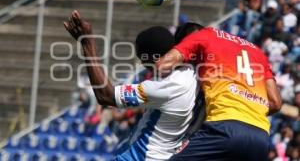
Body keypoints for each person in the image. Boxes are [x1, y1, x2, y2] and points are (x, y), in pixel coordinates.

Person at [63, 10, 198, 161]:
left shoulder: (164, 87)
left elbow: (105, 95)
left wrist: (87, 43)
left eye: (143, 61)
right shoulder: (191, 73)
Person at [156, 24, 282, 161]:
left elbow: (163, 65)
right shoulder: (257, 51)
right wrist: (247, 100)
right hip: (260, 138)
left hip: (223, 128)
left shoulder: (203, 36)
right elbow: (275, 103)